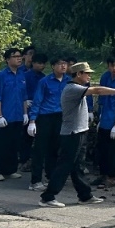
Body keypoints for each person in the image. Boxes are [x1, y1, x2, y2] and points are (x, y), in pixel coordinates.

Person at [39, 62, 115, 208]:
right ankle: (48, 196)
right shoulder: (72, 88)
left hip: (79, 131)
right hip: (72, 133)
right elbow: (98, 91)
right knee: (65, 165)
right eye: (87, 73)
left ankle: (85, 195)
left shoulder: (78, 88)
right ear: (78, 74)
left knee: (78, 167)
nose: (89, 76)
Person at [27, 58, 70, 190]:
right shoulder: (45, 81)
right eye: (60, 64)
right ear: (53, 66)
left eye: (65, 64)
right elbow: (37, 100)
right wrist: (32, 120)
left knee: (55, 148)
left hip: (60, 117)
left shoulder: (69, 81)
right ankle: (35, 180)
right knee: (40, 149)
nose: (63, 66)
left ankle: (51, 177)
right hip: (45, 116)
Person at [0, 48, 29, 181]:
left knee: (14, 144)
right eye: (15, 56)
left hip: (17, 115)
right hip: (5, 116)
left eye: (20, 56)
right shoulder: (1, 76)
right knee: (0, 145)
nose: (19, 58)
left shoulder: (21, 75)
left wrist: (25, 114)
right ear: (7, 59)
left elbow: (24, 96)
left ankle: (10, 170)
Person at [93, 56, 115, 188]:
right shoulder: (105, 77)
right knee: (102, 148)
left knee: (113, 150)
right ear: (108, 66)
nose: (114, 68)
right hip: (105, 118)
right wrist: (100, 118)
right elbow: (102, 99)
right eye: (112, 65)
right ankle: (102, 174)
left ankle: (111, 177)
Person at [18, 51, 45, 170]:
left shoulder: (44, 78)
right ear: (33, 63)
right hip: (27, 110)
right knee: (25, 138)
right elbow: (20, 92)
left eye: (43, 63)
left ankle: (35, 160)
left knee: (39, 138)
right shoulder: (26, 76)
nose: (41, 66)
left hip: (40, 110)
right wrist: (26, 101)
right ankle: (23, 160)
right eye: (39, 63)